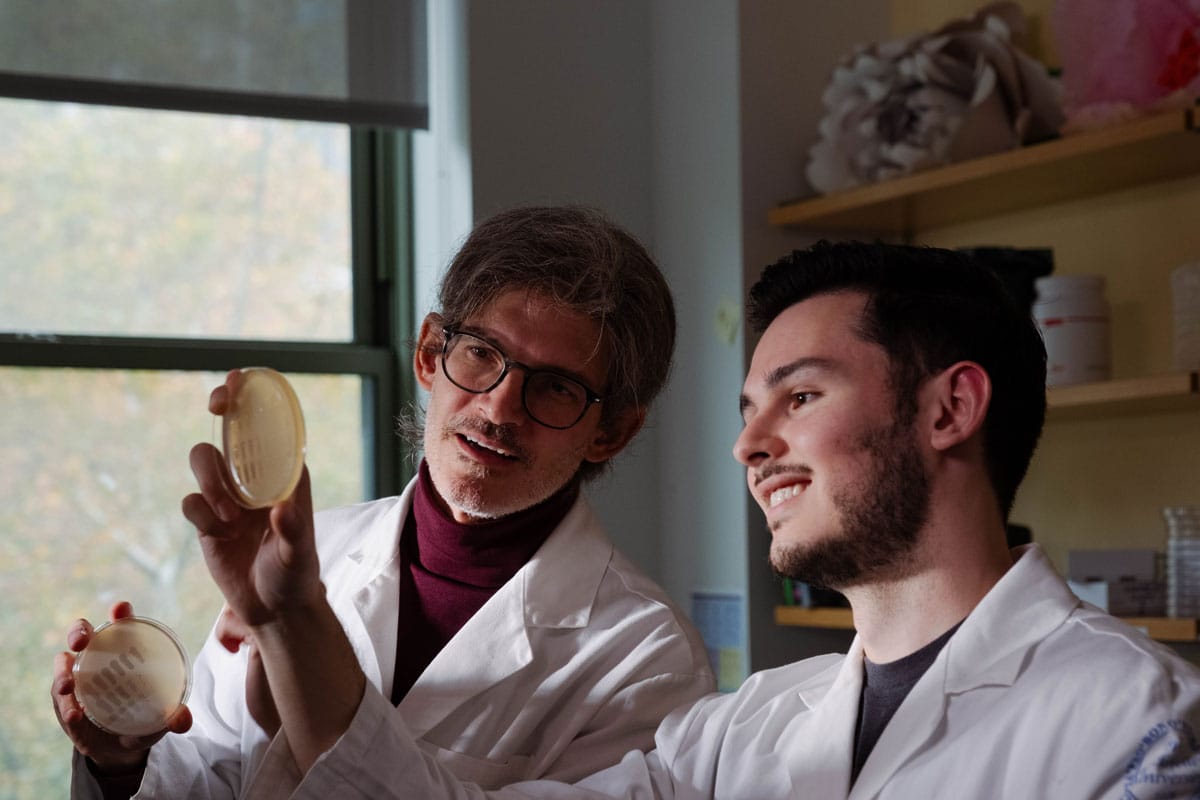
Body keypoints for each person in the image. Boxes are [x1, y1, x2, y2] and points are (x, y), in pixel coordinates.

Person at [201, 238, 1200, 799]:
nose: (749, 445)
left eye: (798, 396)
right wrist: (292, 616)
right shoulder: (740, 735)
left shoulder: (1136, 717)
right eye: (745, 409)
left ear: (949, 408)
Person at [51, 205, 716, 799]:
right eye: (483, 354)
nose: (499, 407)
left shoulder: (646, 658)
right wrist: (119, 764)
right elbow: (210, 775)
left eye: (556, 388)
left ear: (612, 432)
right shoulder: (311, 554)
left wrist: (295, 623)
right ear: (430, 353)